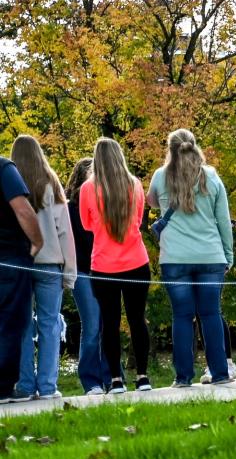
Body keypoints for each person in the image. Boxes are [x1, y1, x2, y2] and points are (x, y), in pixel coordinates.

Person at [147, 129, 234, 387]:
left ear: (170, 149)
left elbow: (151, 202)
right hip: (210, 255)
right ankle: (220, 373)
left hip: (175, 258)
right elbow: (223, 221)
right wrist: (228, 254)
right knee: (210, 314)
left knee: (182, 317)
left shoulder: (161, 177)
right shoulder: (212, 177)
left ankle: (183, 377)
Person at [79, 137, 152, 394]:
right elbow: (140, 218)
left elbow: (86, 224)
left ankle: (115, 380)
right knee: (137, 320)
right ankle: (143, 377)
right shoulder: (135, 184)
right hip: (137, 261)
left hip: (104, 265)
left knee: (109, 323)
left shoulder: (88, 188)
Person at [11, 135, 76, 400]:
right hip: (50, 262)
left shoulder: (11, 185)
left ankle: (25, 385)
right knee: (49, 325)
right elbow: (65, 231)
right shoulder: (51, 184)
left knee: (23, 325)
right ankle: (48, 386)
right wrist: (70, 272)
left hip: (21, 263)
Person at [66, 158, 112, 395]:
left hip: (106, 270)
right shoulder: (70, 208)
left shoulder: (105, 206)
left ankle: (111, 377)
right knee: (92, 325)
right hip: (83, 272)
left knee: (108, 326)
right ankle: (91, 381)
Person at [0, 156, 43, 404]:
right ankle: (3, 386)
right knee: (10, 321)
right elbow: (22, 209)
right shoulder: (5, 168)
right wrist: (37, 241)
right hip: (8, 256)